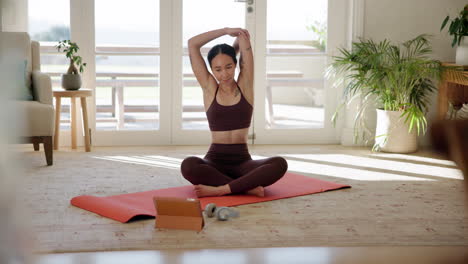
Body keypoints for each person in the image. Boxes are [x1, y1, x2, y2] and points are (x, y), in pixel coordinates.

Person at [181, 27, 288, 197]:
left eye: (229, 67)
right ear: (211, 70)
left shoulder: (245, 85)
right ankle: (245, 187)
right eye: (218, 69)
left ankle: (222, 188)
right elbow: (192, 44)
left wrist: (240, 35)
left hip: (243, 163)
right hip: (214, 162)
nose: (224, 74)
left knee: (280, 163)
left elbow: (244, 38)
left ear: (236, 64)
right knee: (188, 165)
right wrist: (225, 31)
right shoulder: (209, 89)